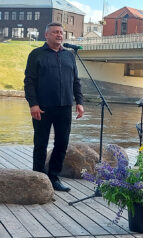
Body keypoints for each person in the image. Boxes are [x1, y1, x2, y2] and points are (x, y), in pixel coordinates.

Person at [24, 22, 84, 192]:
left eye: (61, 32)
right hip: (42, 107)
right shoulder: (36, 54)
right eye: (55, 32)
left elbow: (75, 81)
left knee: (62, 143)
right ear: (47, 35)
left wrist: (79, 102)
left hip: (65, 107)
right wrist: (33, 104)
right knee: (41, 143)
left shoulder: (70, 56)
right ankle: (38, 179)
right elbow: (29, 81)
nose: (59, 35)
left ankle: (54, 178)